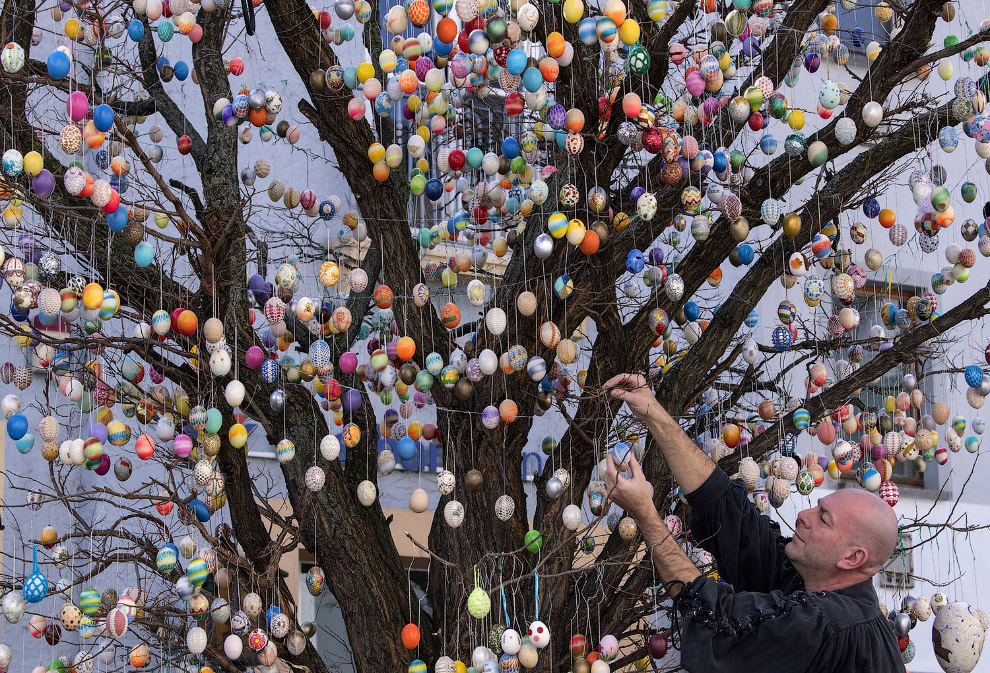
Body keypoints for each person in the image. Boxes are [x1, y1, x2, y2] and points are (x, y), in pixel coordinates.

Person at [601, 373, 904, 673]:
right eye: (816, 508)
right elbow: (730, 516)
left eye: (823, 519)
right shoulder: (816, 583)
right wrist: (653, 413)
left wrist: (645, 515)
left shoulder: (828, 626)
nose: (803, 516)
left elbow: (718, 622)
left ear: (853, 557)